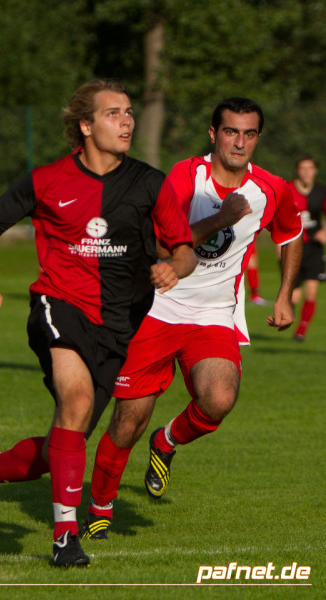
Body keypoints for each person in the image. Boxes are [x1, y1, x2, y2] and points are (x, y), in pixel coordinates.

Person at [0, 78, 196, 568]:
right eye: (113, 113)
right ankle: (65, 537)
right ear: (85, 126)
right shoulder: (47, 179)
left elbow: (186, 249)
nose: (126, 121)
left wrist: (176, 266)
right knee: (78, 401)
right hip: (59, 304)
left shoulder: (150, 182)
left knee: (63, 446)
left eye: (129, 112)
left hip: (120, 325)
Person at [80, 97, 303, 540]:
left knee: (219, 399)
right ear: (213, 134)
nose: (239, 142)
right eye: (230, 132)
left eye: (249, 134)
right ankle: (100, 508)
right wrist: (223, 217)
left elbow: (291, 233)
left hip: (214, 314)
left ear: (258, 138)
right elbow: (165, 245)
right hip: (157, 309)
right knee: (128, 422)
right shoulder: (186, 177)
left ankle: (167, 441)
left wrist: (284, 295)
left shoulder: (272, 188)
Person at [287, 154, 326, 342]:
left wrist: (325, 232)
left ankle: (300, 332)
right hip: (292, 246)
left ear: (315, 170)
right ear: (297, 170)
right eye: (303, 168)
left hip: (314, 248)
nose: (306, 172)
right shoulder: (287, 189)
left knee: (311, 291)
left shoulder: (321, 191)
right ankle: (289, 315)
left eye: (310, 168)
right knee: (294, 296)